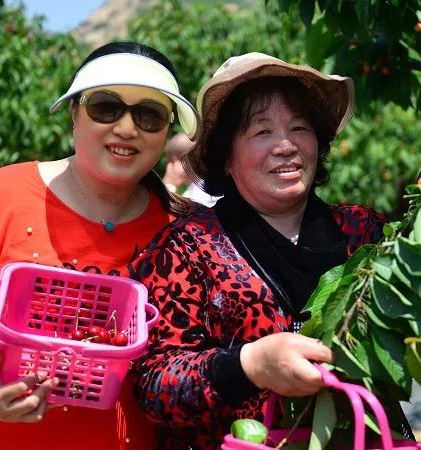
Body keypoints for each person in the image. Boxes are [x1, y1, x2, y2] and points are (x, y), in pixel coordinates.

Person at [0, 41, 200, 450]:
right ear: (74, 113)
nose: (126, 128)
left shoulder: (183, 231)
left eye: (149, 115)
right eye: (106, 107)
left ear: (166, 130)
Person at [132, 53, 398, 449]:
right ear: (227, 155)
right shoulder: (186, 249)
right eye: (261, 132)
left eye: (299, 127)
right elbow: (155, 385)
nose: (286, 145)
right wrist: (248, 366)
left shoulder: (363, 232)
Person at [161, 133, 220, 207]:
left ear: (176, 162)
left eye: (170, 163)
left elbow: (164, 213)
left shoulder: (198, 195)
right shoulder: (214, 186)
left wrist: (169, 185)